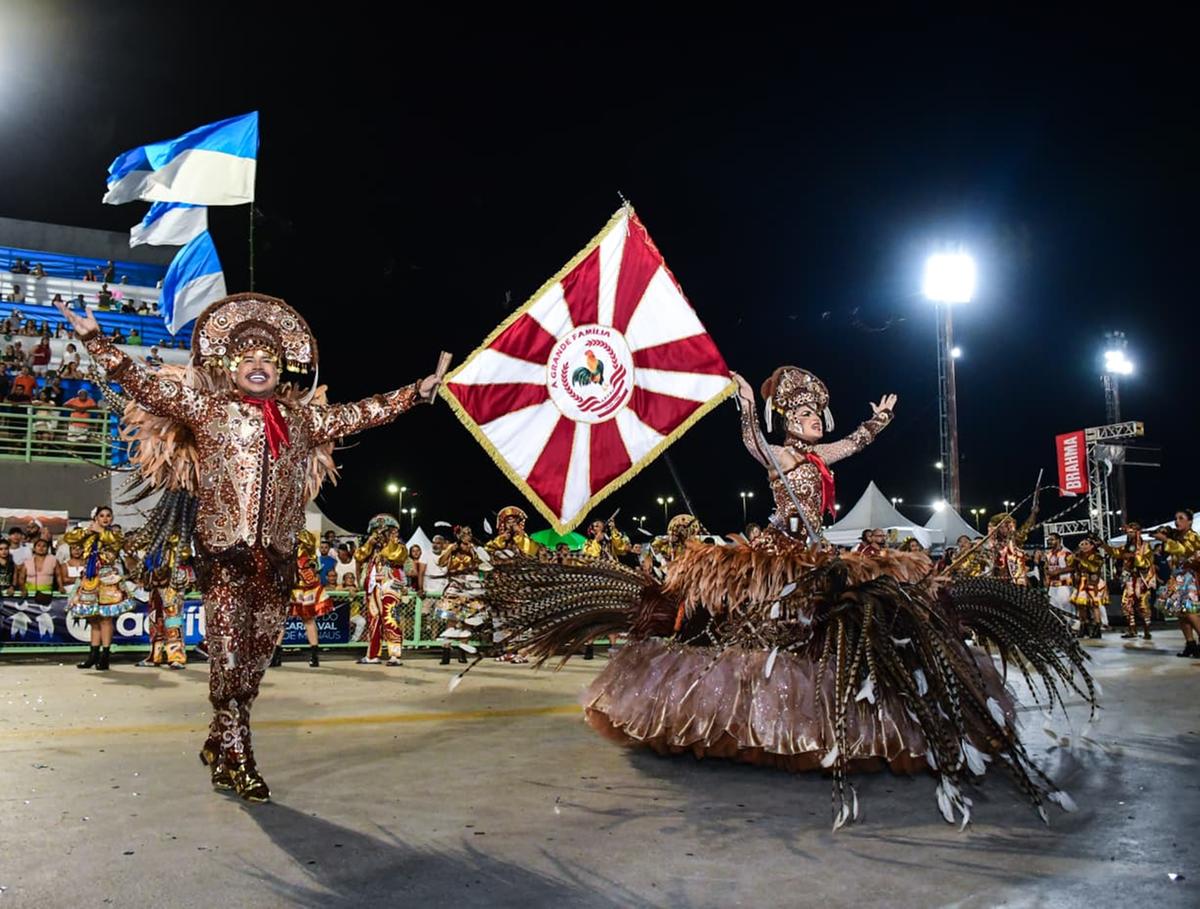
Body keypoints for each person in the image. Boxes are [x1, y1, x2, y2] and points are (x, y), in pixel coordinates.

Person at [483, 365, 1095, 828]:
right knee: (768, 627)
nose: (809, 424)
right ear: (786, 421)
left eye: (813, 418)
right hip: (779, 549)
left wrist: (878, 422)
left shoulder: (821, 452)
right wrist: (747, 406)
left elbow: (853, 444)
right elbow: (753, 444)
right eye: (800, 417)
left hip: (820, 546)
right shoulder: (777, 452)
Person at [55, 291, 444, 802]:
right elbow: (143, 386)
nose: (258, 366)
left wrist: (417, 391)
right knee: (229, 657)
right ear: (230, 365)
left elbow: (363, 413)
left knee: (256, 663)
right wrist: (95, 340)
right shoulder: (206, 409)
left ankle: (219, 740)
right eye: (248, 359)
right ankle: (240, 758)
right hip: (224, 559)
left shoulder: (303, 421)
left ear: (281, 369)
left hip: (278, 564)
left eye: (268, 360)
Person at [63, 506, 130, 671]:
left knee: (106, 618)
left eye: (108, 516)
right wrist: (87, 531)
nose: (105, 518)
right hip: (90, 578)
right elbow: (69, 538)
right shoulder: (88, 534)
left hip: (107, 579)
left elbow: (115, 543)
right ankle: (92, 655)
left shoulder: (114, 534)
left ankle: (105, 656)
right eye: (102, 516)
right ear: (96, 518)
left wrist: (100, 531)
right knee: (92, 618)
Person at [354, 515, 410, 666]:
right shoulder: (372, 548)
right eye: (376, 530)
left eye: (383, 530)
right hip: (373, 587)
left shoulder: (399, 546)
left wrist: (391, 539)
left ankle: (395, 656)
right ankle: (372, 655)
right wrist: (369, 543)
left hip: (390, 585)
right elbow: (358, 556)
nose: (379, 533)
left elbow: (395, 555)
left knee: (390, 618)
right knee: (374, 620)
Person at [275, 530, 333, 668]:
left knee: (306, 619)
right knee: (282, 619)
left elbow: (310, 548)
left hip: (302, 582)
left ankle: (314, 655)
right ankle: (276, 654)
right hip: (292, 581)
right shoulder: (283, 537)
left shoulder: (303, 536)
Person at [1155, 510, 1200, 657]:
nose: (1177, 521)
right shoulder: (1178, 536)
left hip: (1190, 576)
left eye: (1181, 518)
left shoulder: (1192, 536)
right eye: (1175, 518)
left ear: (1190, 521)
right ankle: (1190, 644)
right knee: (1180, 613)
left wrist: (1167, 540)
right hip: (1178, 577)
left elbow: (1186, 551)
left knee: (1190, 611)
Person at [1107, 522, 1155, 640]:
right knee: (1126, 604)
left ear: (1137, 532)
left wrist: (1133, 556)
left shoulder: (1145, 546)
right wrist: (1103, 545)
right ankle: (1132, 630)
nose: (1129, 534)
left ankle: (1146, 631)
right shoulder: (1126, 546)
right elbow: (1116, 553)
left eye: (1132, 532)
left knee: (1142, 605)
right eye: (1128, 532)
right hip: (1129, 579)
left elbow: (1146, 563)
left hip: (1142, 580)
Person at [1068, 535, 1107, 639]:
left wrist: (1080, 560)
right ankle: (1083, 626)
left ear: (1092, 546)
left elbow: (1093, 568)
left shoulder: (1097, 556)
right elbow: (1069, 563)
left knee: (1094, 605)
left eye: (1086, 544)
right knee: (1081, 606)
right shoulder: (1079, 555)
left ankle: (1097, 628)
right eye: (1081, 544)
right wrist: (1074, 556)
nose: (1083, 546)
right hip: (1081, 582)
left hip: (1093, 582)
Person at [1042, 533, 1073, 617]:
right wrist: (1046, 578)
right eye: (1049, 540)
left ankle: (1071, 626)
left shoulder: (1067, 553)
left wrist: (1058, 572)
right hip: (1052, 586)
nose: (1049, 541)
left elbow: (1073, 567)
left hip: (1064, 584)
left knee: (1066, 608)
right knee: (1053, 609)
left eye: (1052, 539)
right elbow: (1046, 567)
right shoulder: (1048, 554)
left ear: (1058, 540)